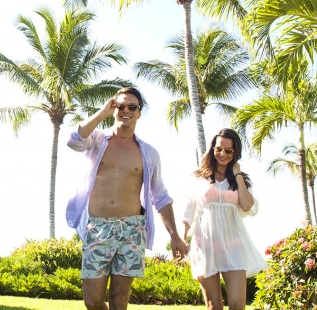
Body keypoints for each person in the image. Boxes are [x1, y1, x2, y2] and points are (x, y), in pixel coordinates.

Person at [66, 87, 188, 310]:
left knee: (119, 301)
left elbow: (160, 196)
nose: (126, 111)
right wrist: (102, 113)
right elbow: (74, 140)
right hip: (98, 227)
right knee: (92, 301)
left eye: (132, 107)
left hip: (132, 229)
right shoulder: (97, 140)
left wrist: (175, 236)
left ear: (139, 113)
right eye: (120, 106)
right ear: (114, 109)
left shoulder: (148, 153)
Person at [183, 128, 267, 310]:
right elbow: (189, 210)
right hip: (205, 244)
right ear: (212, 149)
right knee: (214, 306)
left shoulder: (240, 179)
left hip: (233, 244)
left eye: (228, 150)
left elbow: (247, 205)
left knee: (237, 305)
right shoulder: (199, 177)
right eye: (219, 149)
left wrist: (237, 174)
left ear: (235, 152)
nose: (223, 154)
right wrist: (182, 237)